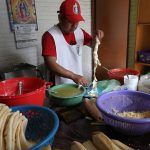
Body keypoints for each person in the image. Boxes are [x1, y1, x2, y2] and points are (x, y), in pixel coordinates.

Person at [42, 0, 104, 86]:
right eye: (71, 21)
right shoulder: (50, 36)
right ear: (60, 18)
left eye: (77, 21)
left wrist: (98, 37)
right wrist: (73, 76)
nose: (74, 25)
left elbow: (93, 45)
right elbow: (50, 64)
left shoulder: (80, 32)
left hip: (77, 84)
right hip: (58, 87)